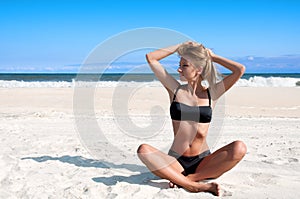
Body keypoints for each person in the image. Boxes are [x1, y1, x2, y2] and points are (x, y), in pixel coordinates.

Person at [137, 41, 247, 196]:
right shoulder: (175, 90)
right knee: (143, 150)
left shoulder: (212, 94)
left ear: (198, 69)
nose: (179, 69)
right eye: (179, 64)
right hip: (176, 161)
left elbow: (239, 70)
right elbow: (151, 58)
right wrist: (179, 47)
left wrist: (212, 57)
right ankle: (193, 185)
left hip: (203, 162)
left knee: (239, 147)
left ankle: (189, 179)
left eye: (185, 65)